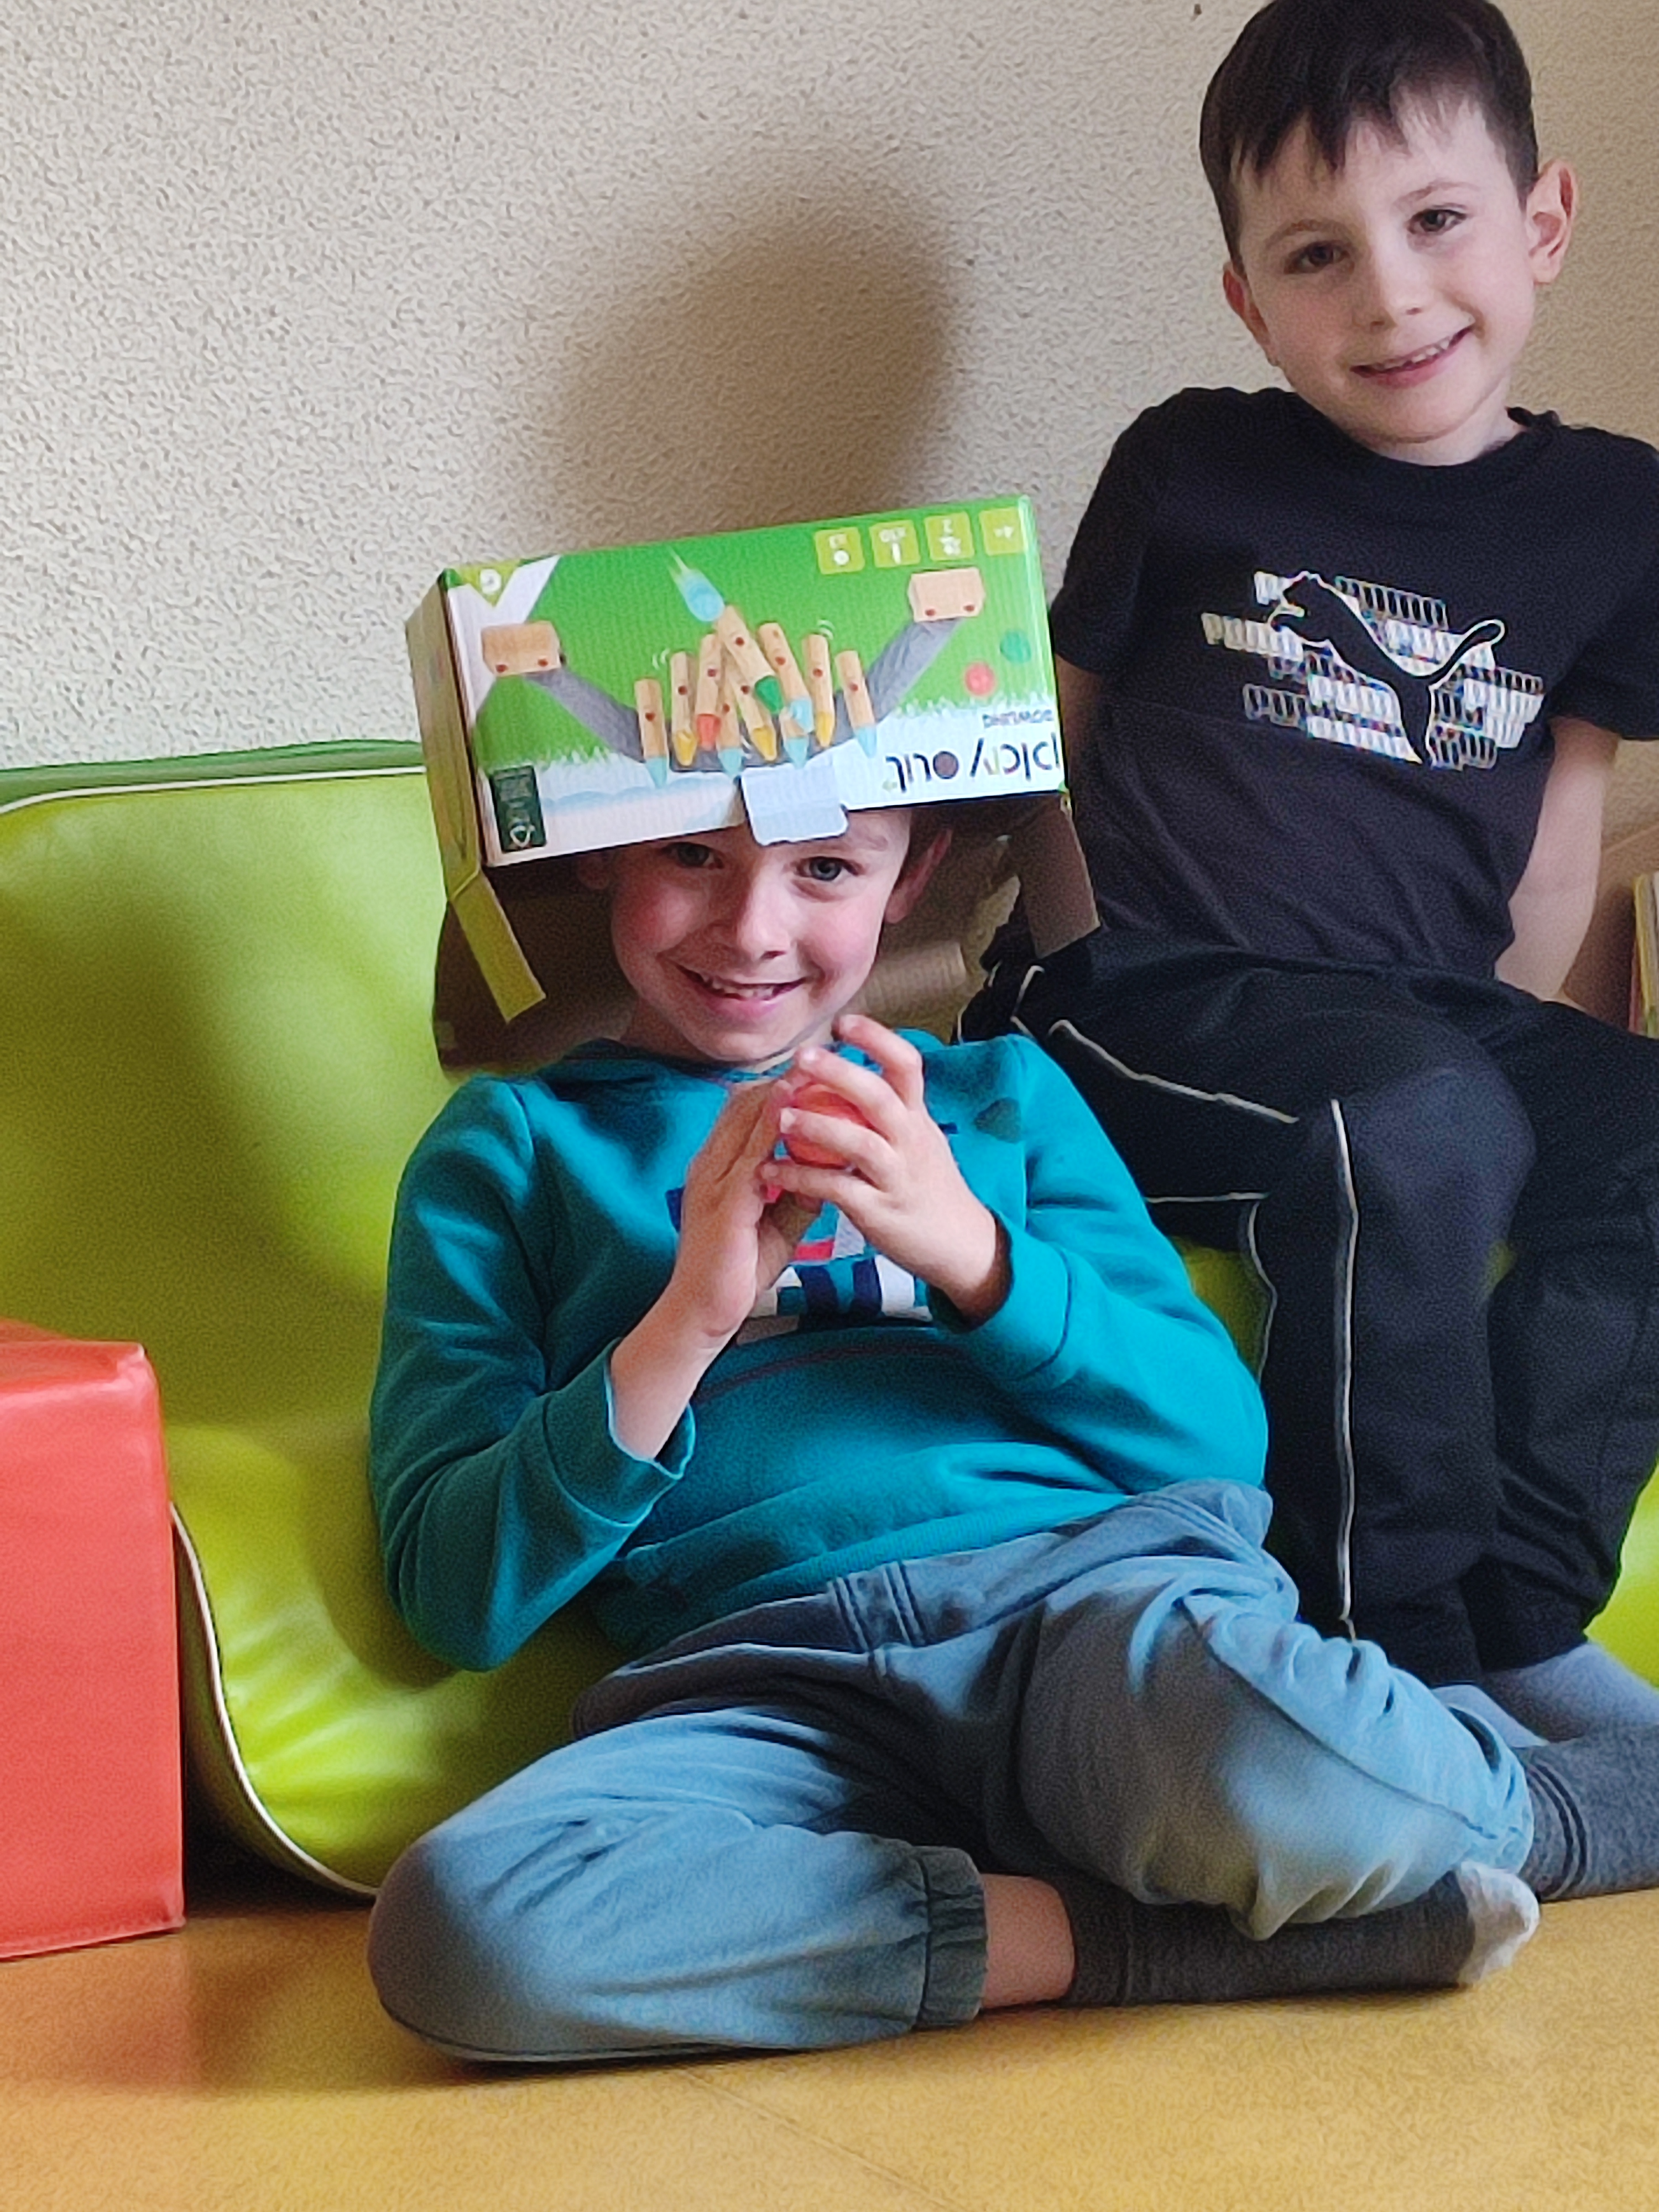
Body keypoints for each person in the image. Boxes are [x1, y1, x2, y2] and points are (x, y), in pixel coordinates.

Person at [366, 803, 1655, 2065]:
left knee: (1302, 1760)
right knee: (468, 1926)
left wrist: (973, 1251)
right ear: (603, 843)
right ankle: (1156, 1941)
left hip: (1086, 1616)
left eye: (826, 867)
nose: (752, 927)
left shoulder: (1002, 1096)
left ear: (912, 872)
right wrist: (683, 1323)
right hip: (765, 1689)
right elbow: (455, 1592)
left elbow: (1217, 1439)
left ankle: (1548, 1811)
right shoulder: (510, 1149)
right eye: (692, 854)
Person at [966, 0, 1659, 1742]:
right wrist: (1044, 958)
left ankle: (1520, 1608)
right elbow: (1045, 749)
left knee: (1600, 1128)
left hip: (1415, 1015)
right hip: (1143, 995)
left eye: (1438, 221)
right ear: (1250, 301)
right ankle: (1386, 1658)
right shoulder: (1190, 462)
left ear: (1544, 223)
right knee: (1413, 1119)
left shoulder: (1617, 516)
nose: (1392, 295)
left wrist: (1535, 1086)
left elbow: (1558, 840)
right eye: (1317, 254)